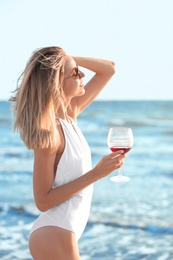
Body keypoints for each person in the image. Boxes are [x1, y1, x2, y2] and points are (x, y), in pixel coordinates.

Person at [10, 46, 126, 260]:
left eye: (78, 69)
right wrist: (97, 173)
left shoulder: (70, 114)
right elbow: (42, 201)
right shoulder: (49, 133)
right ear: (56, 83)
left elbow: (109, 69)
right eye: (75, 73)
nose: (82, 74)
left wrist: (68, 59)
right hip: (55, 232)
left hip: (62, 231)